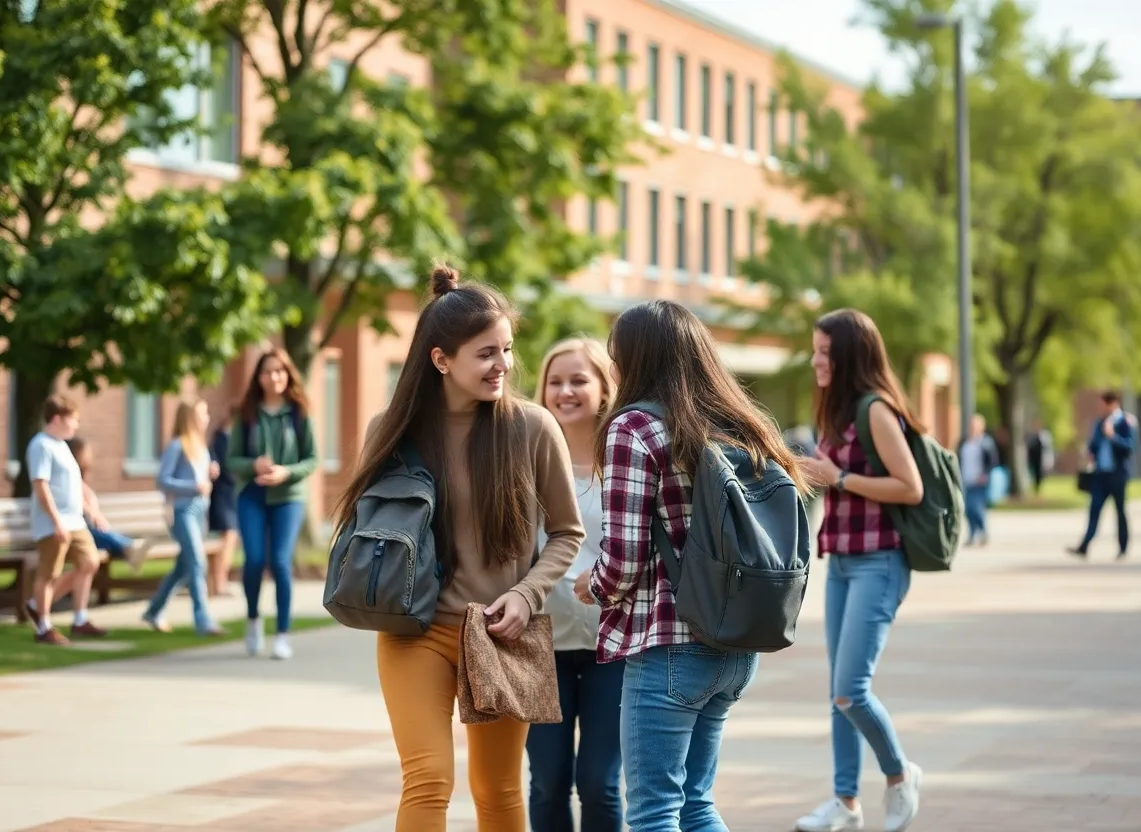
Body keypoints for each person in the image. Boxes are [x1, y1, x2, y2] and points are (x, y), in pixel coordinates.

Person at [332, 265, 584, 832]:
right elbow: (365, 526)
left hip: (501, 632)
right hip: (412, 632)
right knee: (427, 780)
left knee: (497, 792)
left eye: (507, 350)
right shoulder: (390, 432)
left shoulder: (533, 428)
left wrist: (527, 594)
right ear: (441, 359)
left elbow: (568, 532)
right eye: (486, 353)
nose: (503, 365)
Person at [571, 299, 808, 832]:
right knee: (696, 803)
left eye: (616, 354)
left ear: (635, 358)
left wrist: (596, 584)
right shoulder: (741, 426)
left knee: (654, 811)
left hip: (668, 647)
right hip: (736, 643)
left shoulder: (634, 428)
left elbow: (625, 558)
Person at [793, 308, 924, 832]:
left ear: (848, 355)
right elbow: (832, 477)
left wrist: (840, 477)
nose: (815, 360)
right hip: (844, 562)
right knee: (837, 692)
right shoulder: (837, 410)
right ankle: (845, 804)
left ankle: (899, 777)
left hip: (880, 561)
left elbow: (909, 486)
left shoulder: (874, 410)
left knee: (851, 689)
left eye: (825, 352)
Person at [526, 337, 623, 832]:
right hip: (540, 643)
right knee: (546, 781)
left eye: (578, 380)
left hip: (615, 646)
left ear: (604, 388)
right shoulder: (523, 459)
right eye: (555, 381)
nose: (565, 391)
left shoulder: (625, 460)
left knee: (600, 782)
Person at [227, 348, 319, 660]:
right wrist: (253, 465)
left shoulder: (299, 413)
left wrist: (286, 472)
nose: (274, 376)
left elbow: (312, 459)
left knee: (280, 562)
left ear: (288, 374)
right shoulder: (246, 413)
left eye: (280, 370)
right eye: (268, 371)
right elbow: (231, 459)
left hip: (288, 498)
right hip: (251, 496)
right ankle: (253, 618)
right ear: (259, 377)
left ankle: (282, 634)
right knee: (253, 560)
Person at [25, 394, 108, 645]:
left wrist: (91, 510)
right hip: (54, 523)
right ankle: (43, 627)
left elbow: (71, 486)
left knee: (90, 562)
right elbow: (41, 486)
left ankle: (79, 619)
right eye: (74, 419)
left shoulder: (62, 446)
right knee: (49, 574)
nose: (76, 425)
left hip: (75, 521)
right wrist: (55, 521)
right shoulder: (41, 446)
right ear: (58, 418)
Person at [141, 400, 223, 635]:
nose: (206, 418)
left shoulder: (201, 447)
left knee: (183, 568)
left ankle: (154, 610)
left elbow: (202, 482)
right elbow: (162, 480)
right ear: (190, 418)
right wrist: (193, 486)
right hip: (182, 512)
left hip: (200, 512)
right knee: (197, 562)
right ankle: (202, 620)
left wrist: (210, 474)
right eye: (202, 414)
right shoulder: (177, 446)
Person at [1067, 391, 1136, 560]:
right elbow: (1094, 445)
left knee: (1120, 512)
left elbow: (1129, 447)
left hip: (1117, 475)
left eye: (1102, 404)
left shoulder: (1126, 422)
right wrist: (1090, 453)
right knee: (1094, 509)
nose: (1100, 408)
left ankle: (1123, 547)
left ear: (1112, 404)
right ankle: (1084, 546)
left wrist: (1113, 436)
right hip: (1100, 474)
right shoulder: (1099, 423)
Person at [65, 437, 149, 570]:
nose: (90, 456)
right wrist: (93, 513)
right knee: (98, 537)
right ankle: (129, 548)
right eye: (86, 452)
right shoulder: (68, 479)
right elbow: (77, 500)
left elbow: (89, 499)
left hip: (88, 528)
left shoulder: (80, 478)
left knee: (102, 535)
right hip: (74, 533)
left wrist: (97, 515)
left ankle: (129, 548)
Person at [207, 411, 239, 596]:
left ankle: (219, 582)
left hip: (227, 498)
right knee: (227, 540)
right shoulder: (223, 440)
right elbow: (228, 470)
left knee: (228, 540)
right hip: (223, 498)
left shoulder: (223, 439)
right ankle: (219, 583)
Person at [957, 414, 998, 546]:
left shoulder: (986, 442)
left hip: (979, 481)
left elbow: (992, 461)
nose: (972, 428)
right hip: (966, 479)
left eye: (975, 426)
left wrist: (985, 475)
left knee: (976, 508)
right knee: (968, 509)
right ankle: (973, 534)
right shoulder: (964, 442)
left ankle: (982, 531)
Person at [1025, 419, 1054, 494]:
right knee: (1032, 474)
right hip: (1032, 459)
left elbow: (1046, 447)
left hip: (1040, 459)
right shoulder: (1031, 436)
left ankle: (1037, 488)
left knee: (1039, 474)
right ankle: (1034, 487)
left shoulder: (1043, 436)